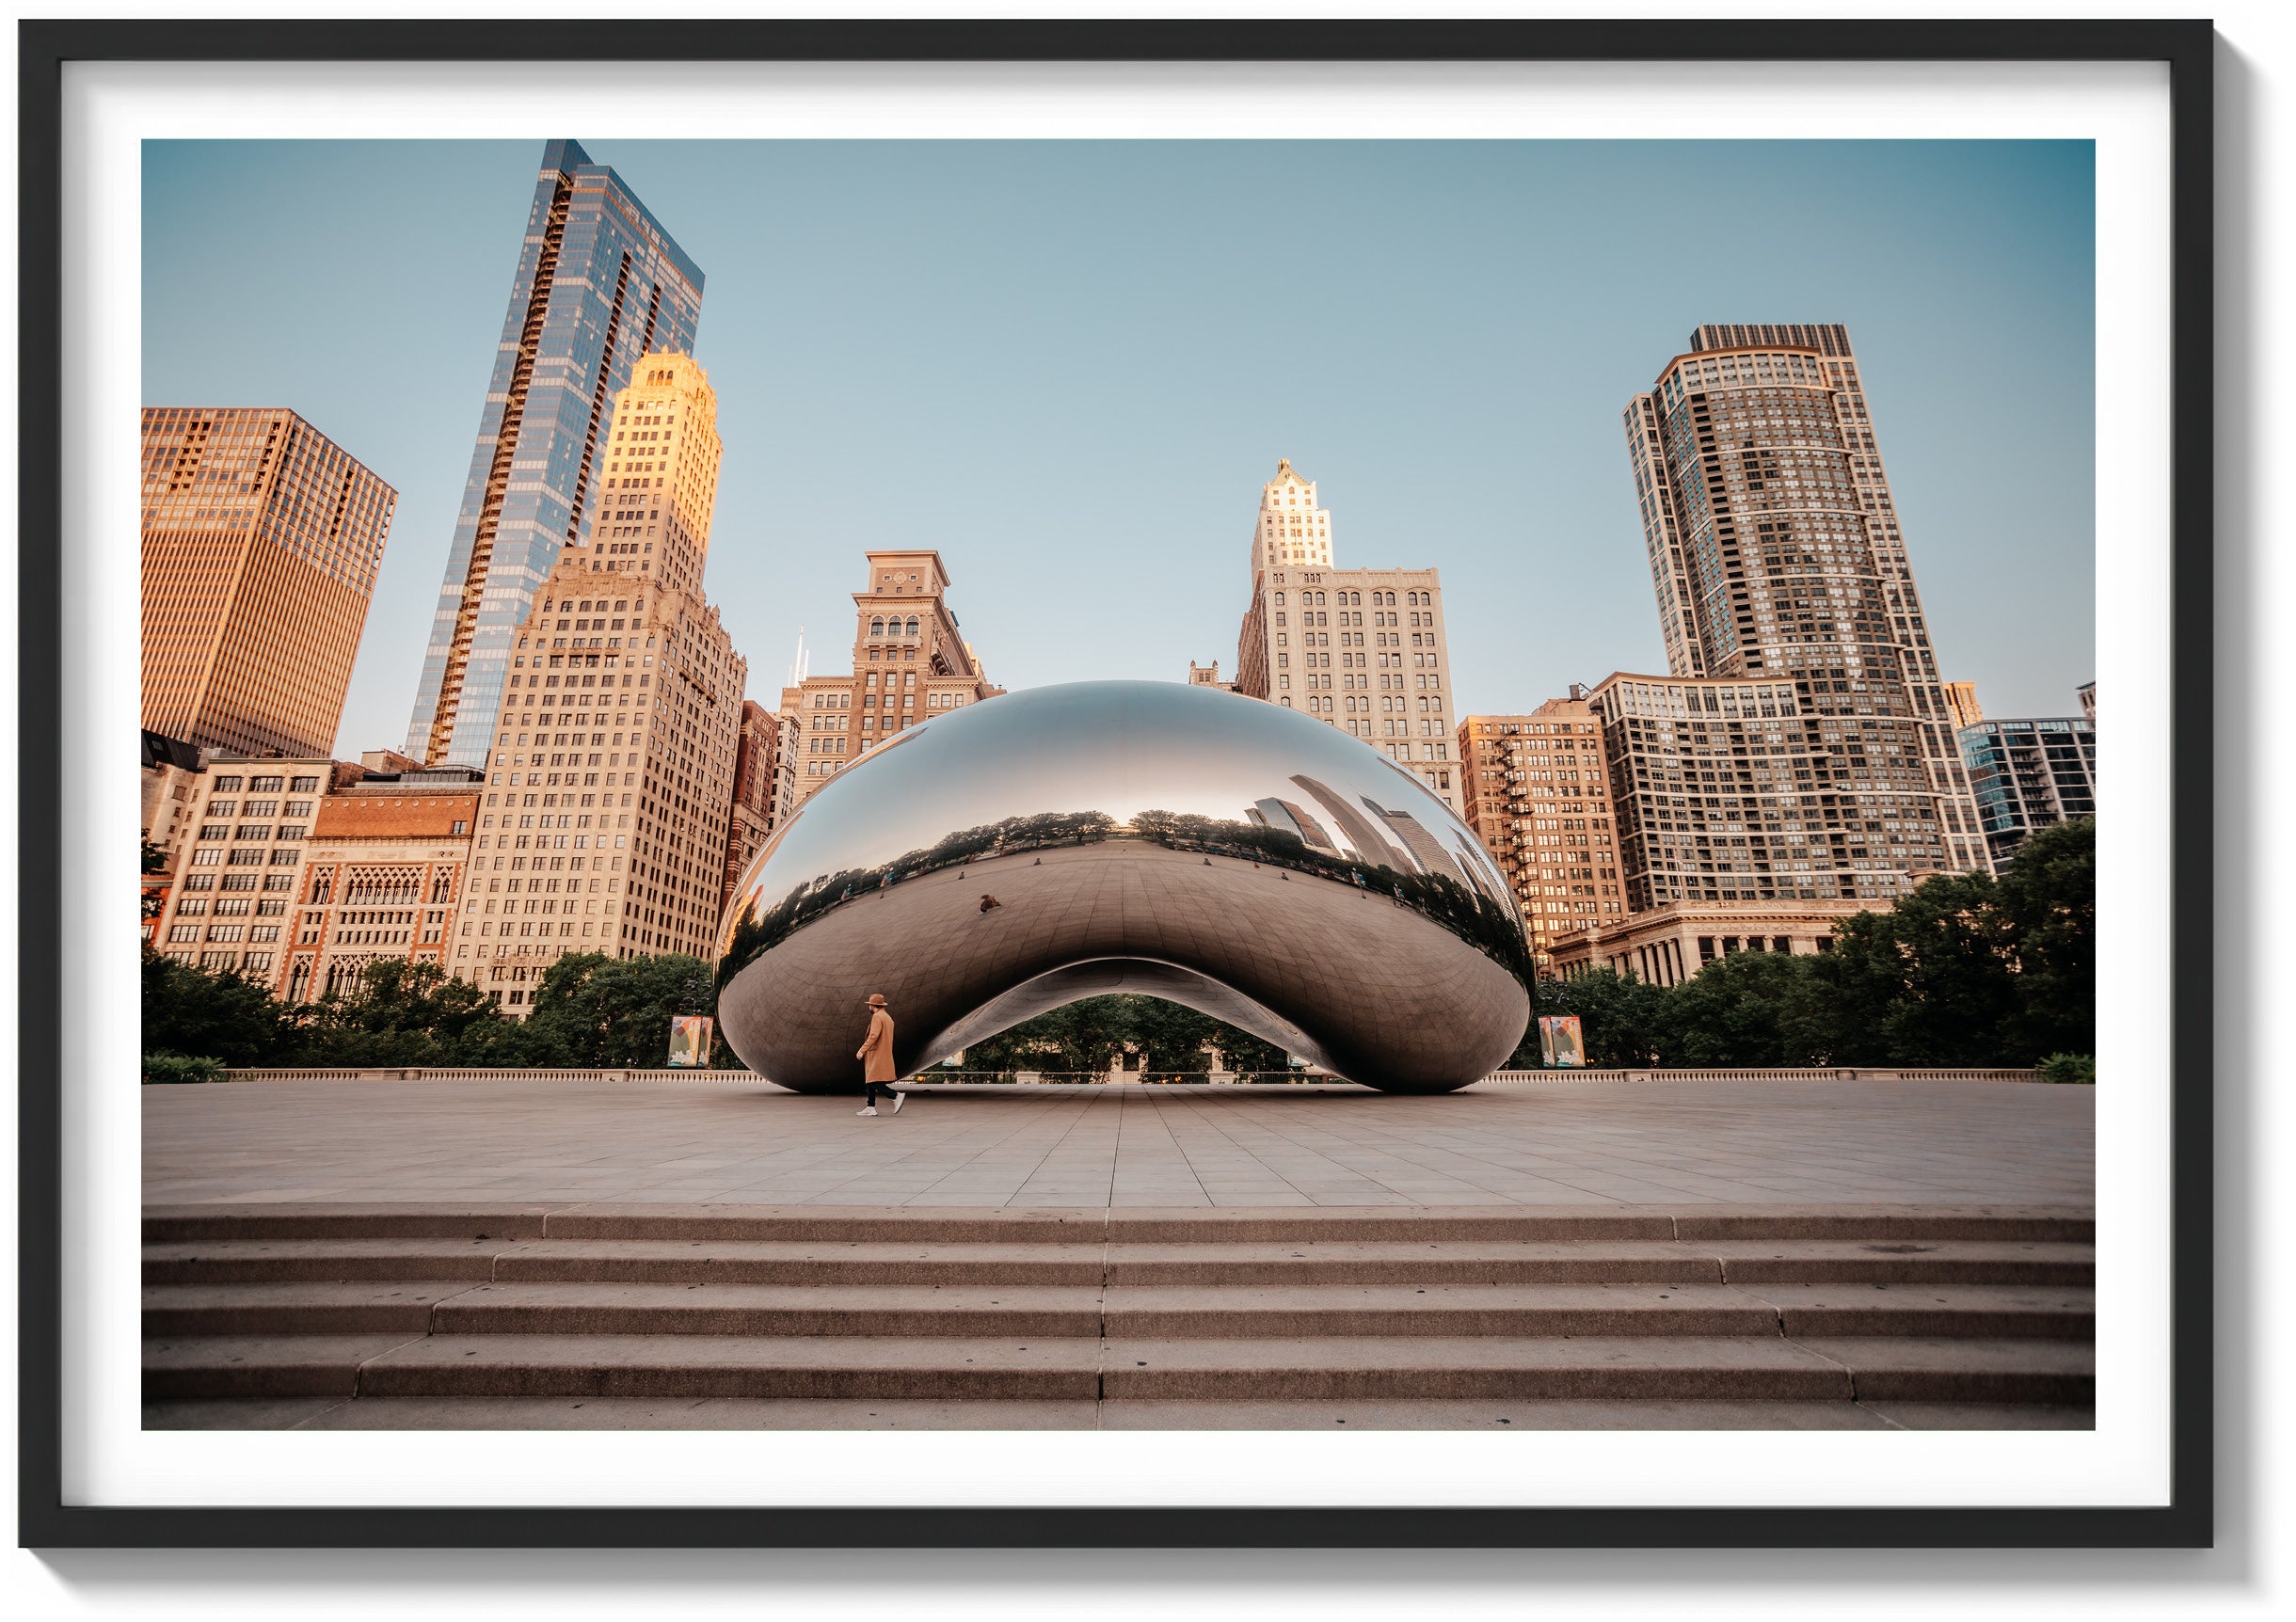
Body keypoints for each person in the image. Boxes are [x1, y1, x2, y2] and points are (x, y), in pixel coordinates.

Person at [854, 992, 908, 1115]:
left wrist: (862, 1050)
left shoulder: (877, 1017)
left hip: (876, 1053)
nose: (869, 1007)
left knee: (874, 1081)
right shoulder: (888, 1018)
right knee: (870, 1080)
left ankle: (895, 1095)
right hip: (883, 1052)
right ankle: (870, 1107)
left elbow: (873, 1036)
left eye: (869, 1005)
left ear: (873, 1005)